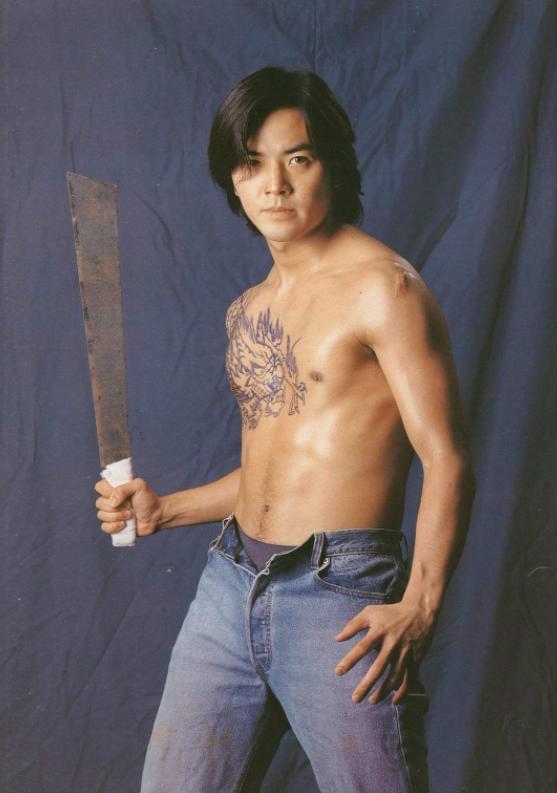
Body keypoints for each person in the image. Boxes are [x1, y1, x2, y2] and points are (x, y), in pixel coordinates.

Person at [95, 66, 476, 793]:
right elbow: (281, 468)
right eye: (251, 163)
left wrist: (420, 604)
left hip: (339, 595)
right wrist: (164, 509)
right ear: (232, 180)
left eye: (297, 159)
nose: (274, 184)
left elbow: (448, 458)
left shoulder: (383, 288)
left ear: (330, 164)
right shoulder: (247, 309)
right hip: (229, 582)